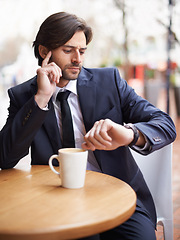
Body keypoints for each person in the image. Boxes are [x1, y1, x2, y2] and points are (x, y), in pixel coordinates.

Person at [0, 12, 176, 240]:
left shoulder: (109, 82)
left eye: (82, 51)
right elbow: (5, 158)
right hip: (55, 200)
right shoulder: (23, 95)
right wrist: (41, 98)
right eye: (68, 50)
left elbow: (165, 125)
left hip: (116, 195)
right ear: (44, 52)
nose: (78, 59)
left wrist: (130, 134)